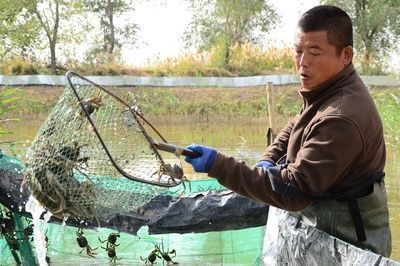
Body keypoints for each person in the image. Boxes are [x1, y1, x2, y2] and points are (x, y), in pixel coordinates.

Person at [184, 4, 391, 260]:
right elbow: (297, 125)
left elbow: (293, 190)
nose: (303, 63)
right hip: (323, 231)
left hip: (349, 247)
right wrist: (269, 159)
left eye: (315, 52)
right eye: (298, 51)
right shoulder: (330, 89)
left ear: (345, 55)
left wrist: (218, 165)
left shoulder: (342, 117)